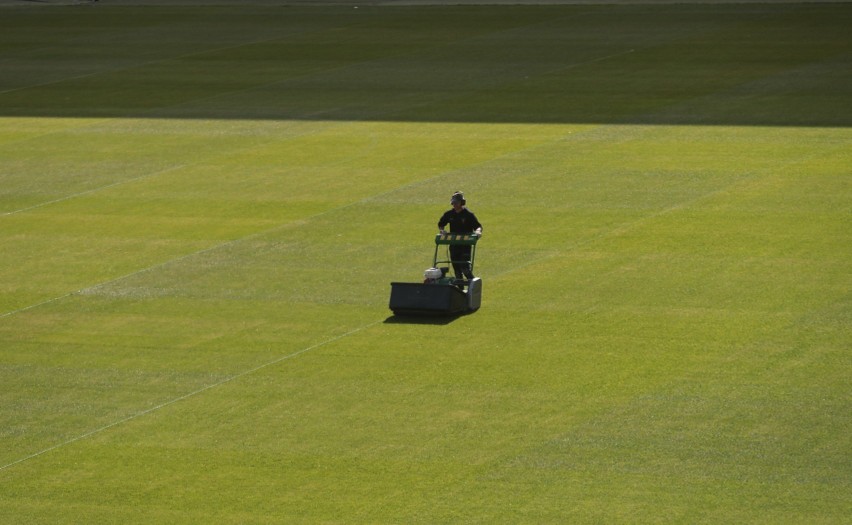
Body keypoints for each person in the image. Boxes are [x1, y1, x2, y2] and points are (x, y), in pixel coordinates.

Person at [437, 191, 482, 280]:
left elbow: (478, 226)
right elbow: (441, 224)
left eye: (456, 203)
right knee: (457, 271)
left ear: (461, 202)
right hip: (454, 245)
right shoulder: (449, 214)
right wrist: (442, 231)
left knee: (465, 269)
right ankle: (460, 290)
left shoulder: (468, 215)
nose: (454, 205)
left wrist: (478, 232)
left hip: (465, 245)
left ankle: (472, 286)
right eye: (453, 203)